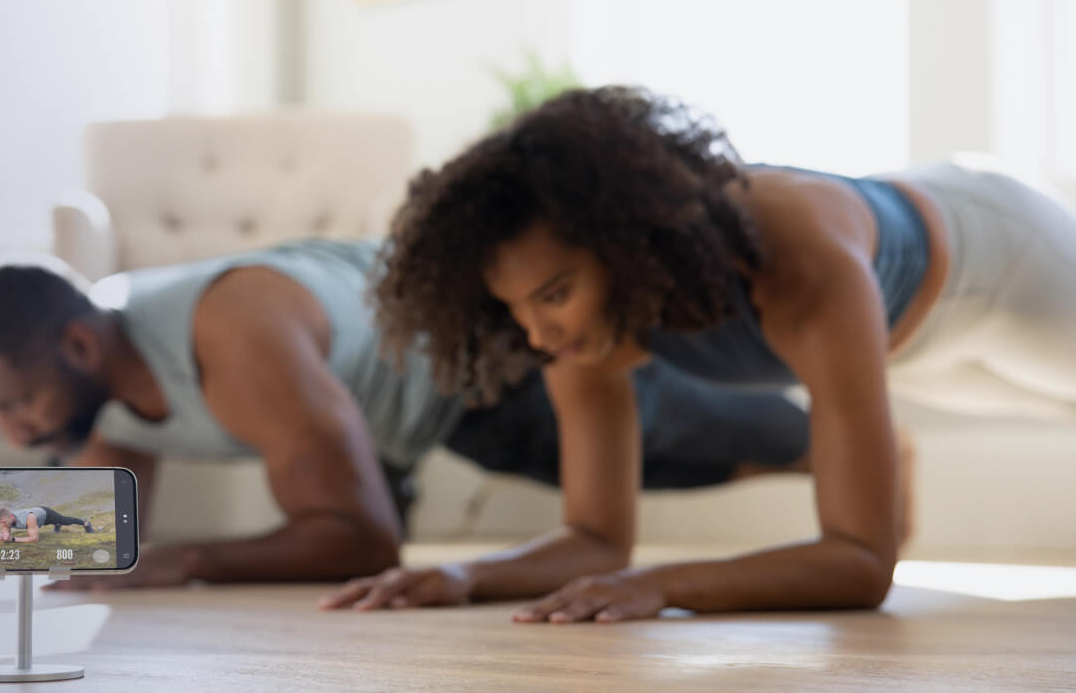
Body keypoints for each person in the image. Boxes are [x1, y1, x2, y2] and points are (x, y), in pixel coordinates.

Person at [323, 85, 1076, 622]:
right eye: (513, 309)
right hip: (913, 350)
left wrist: (671, 584)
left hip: (1003, 265)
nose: (538, 336)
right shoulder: (576, 332)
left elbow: (862, 560)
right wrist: (464, 575)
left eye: (552, 294)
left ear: (627, 243)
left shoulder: (798, 261)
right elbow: (595, 538)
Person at [0, 238, 816, 590]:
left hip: (475, 368)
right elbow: (85, 535)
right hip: (387, 412)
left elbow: (360, 541)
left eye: (19, 404)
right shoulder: (103, 395)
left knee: (684, 442)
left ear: (80, 348)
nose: (17, 434)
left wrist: (186, 560)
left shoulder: (229, 339)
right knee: (674, 453)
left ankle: (848, 445)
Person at [0, 505, 93, 543]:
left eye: (4, 523)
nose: (3, 525)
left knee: (65, 521)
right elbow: (6, 534)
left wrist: (13, 539)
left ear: (11, 516)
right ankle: (57, 525)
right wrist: (3, 538)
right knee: (57, 522)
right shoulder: (4, 520)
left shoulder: (29, 518)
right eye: (1, 523)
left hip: (46, 514)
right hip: (38, 517)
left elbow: (34, 539)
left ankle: (85, 523)